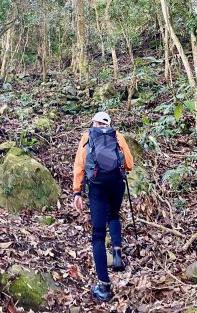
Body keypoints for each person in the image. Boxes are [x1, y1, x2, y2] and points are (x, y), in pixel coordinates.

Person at [73, 111, 133, 302]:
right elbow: (129, 164)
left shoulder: (87, 136)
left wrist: (77, 192)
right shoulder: (118, 136)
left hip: (97, 187)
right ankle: (117, 253)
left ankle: (104, 287)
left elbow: (80, 166)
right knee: (113, 215)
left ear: (94, 123)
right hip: (116, 184)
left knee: (98, 235)